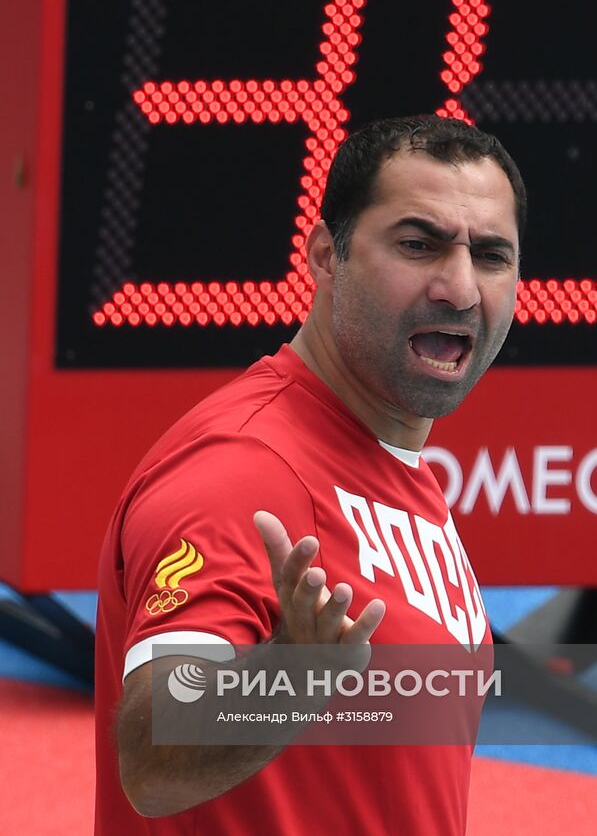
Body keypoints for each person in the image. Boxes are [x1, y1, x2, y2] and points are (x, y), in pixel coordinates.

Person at [95, 113, 526, 835]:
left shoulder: (386, 456)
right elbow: (152, 760)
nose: (458, 288)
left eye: (489, 255)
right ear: (327, 256)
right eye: (418, 245)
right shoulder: (243, 470)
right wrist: (294, 674)